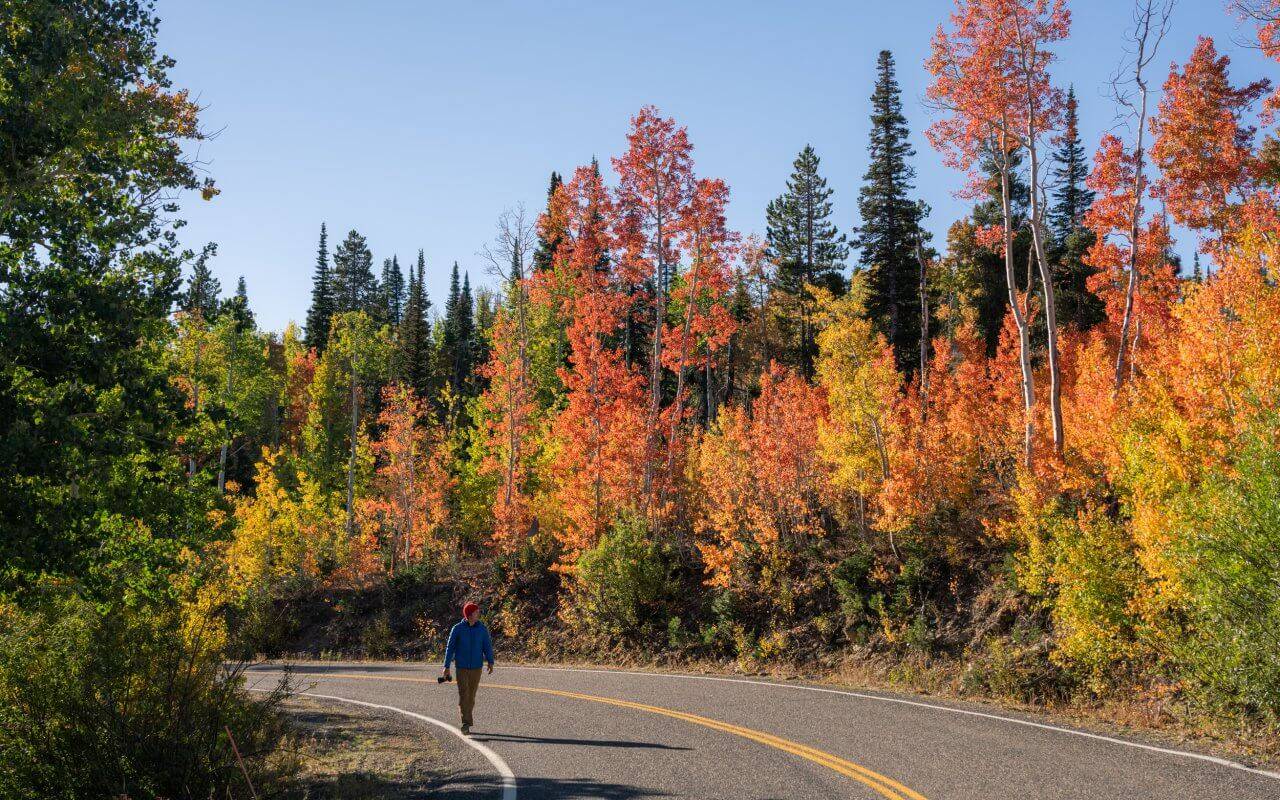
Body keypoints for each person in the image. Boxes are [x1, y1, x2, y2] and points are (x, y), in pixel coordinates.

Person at [441, 600, 494, 735]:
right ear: (469, 615)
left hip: (477, 667)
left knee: (471, 696)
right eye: (476, 612)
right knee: (464, 694)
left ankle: (467, 719)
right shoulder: (457, 629)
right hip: (462, 667)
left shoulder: (482, 629)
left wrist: (490, 661)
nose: (478, 613)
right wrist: (446, 666)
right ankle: (466, 722)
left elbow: (487, 646)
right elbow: (450, 648)